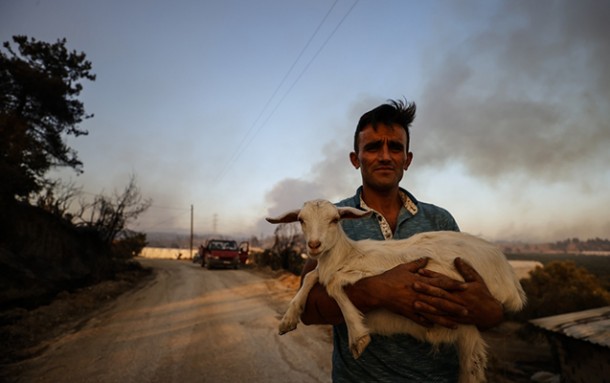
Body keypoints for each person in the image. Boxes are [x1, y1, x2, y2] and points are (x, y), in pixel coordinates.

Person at [299, 99, 504, 382]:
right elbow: (308, 309)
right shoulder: (332, 219)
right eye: (372, 147)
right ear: (355, 158)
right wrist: (377, 291)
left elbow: (487, 307)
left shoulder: (440, 220)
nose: (385, 156)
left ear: (407, 159)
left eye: (395, 147)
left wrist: (488, 310)